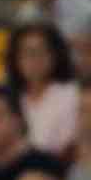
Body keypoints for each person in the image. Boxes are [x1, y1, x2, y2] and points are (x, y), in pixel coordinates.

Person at [6, 22, 78, 156]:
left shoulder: (71, 95)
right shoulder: (6, 97)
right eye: (27, 52)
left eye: (42, 51)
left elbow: (69, 147)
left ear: (55, 55)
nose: (34, 59)